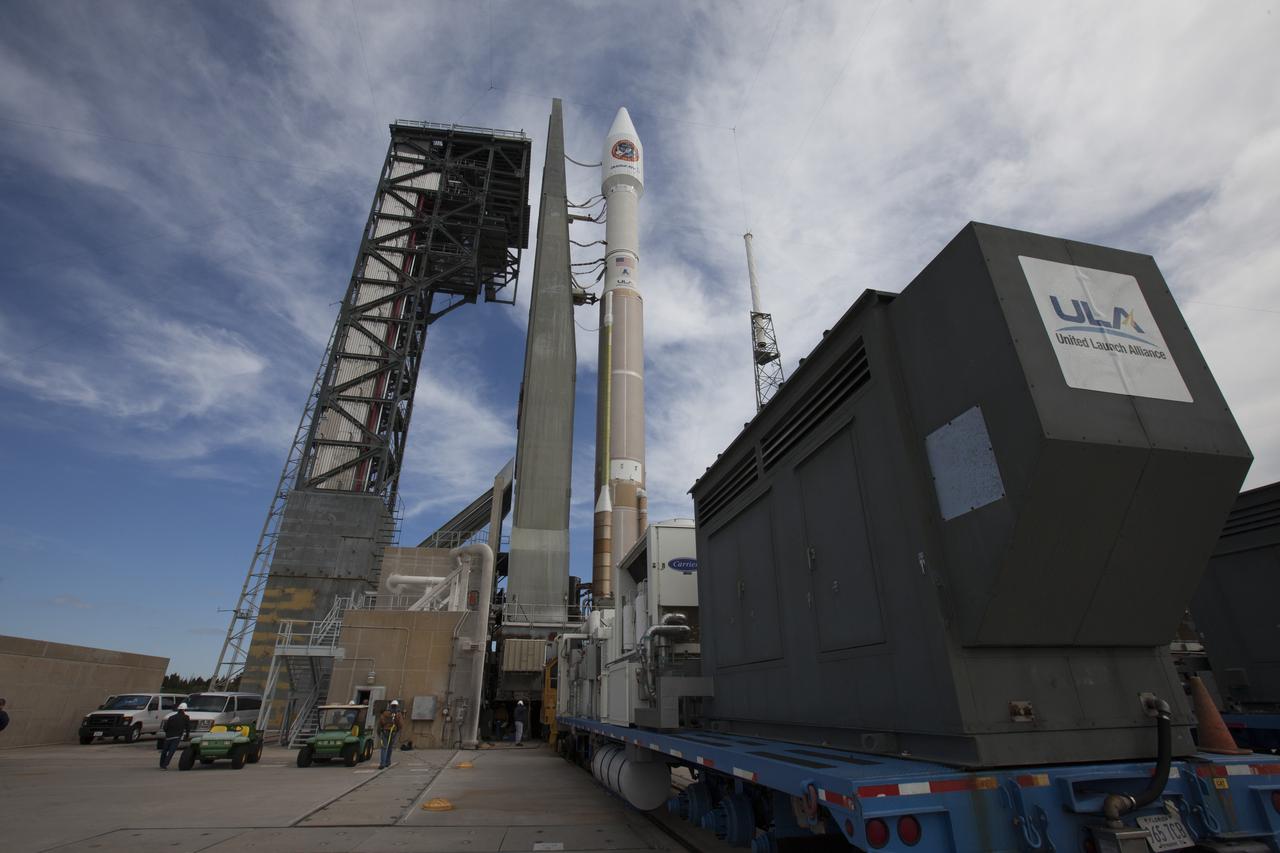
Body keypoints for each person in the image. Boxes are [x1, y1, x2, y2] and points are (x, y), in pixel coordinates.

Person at [159, 702, 191, 770]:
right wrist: (187, 735)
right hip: (177, 737)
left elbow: (165, 727)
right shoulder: (186, 717)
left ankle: (161, 764)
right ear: (184, 710)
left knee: (164, 751)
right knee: (171, 751)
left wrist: (167, 733)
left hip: (168, 737)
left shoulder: (171, 717)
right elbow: (188, 728)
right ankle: (165, 765)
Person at [377, 700, 404, 769]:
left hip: (385, 731)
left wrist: (379, 731)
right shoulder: (398, 714)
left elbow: (380, 723)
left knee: (384, 748)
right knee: (389, 748)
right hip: (393, 732)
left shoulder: (385, 713)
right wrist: (398, 730)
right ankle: (387, 762)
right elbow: (400, 724)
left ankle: (382, 763)